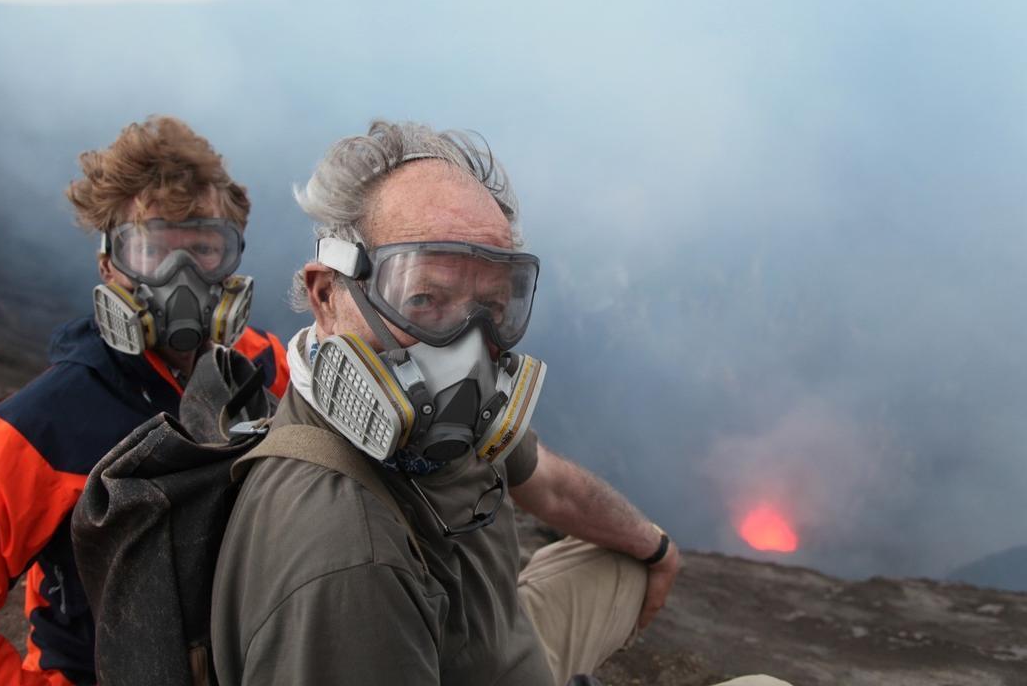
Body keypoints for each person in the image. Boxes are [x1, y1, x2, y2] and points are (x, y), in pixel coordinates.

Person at [211, 121, 681, 686]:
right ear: (327, 296)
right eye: (425, 299)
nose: (468, 348)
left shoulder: (446, 422)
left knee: (623, 558)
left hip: (498, 642)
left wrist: (655, 549)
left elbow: (549, 483)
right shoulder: (349, 564)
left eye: (492, 305)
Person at [0, 116, 290, 686]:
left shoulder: (261, 369)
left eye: (202, 249)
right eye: (152, 251)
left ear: (232, 262)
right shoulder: (42, 428)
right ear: (108, 266)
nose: (182, 278)